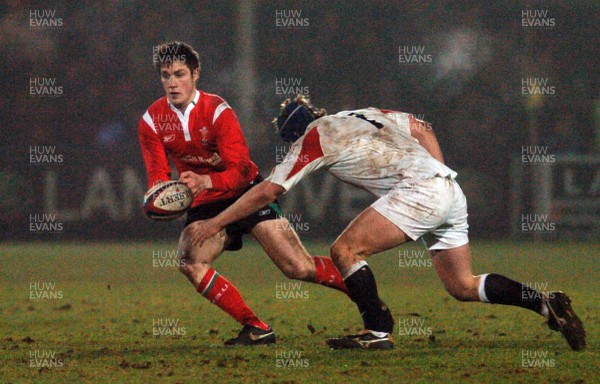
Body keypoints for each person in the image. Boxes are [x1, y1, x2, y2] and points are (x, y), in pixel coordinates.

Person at [189, 95, 586, 351]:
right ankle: (545, 305)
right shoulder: (358, 114)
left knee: (344, 250)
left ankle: (377, 330)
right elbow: (422, 127)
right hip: (448, 188)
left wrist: (215, 222)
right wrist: (438, 172)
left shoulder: (311, 139)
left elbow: (267, 192)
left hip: (420, 192)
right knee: (462, 285)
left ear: (293, 132)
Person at [138, 43, 350, 346]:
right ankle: (256, 327)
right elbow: (158, 177)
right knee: (189, 260)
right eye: (166, 75)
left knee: (298, 268)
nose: (172, 82)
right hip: (205, 202)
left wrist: (206, 181)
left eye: (180, 74)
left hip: (246, 193)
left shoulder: (218, 111)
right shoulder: (151, 121)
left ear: (195, 74)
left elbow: (239, 171)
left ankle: (361, 292)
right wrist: (160, 199)